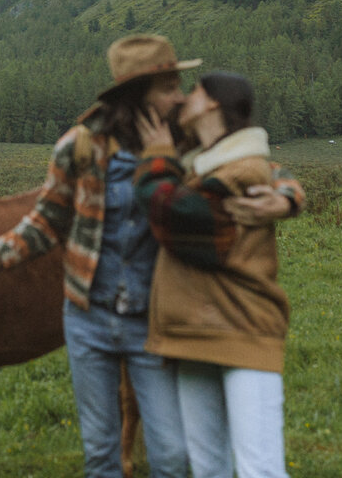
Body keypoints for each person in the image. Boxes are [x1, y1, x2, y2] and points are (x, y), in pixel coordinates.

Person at [0, 35, 299, 478]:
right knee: (101, 453)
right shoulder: (80, 146)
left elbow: (254, 162)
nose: (179, 97)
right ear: (137, 94)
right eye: (167, 88)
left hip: (152, 321)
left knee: (170, 455)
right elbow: (48, 219)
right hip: (87, 318)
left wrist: (286, 197)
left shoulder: (181, 142)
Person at [134, 71, 303, 478]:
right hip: (194, 330)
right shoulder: (202, 162)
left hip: (242, 328)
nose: (182, 99)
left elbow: (177, 213)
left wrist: (155, 160)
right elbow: (273, 170)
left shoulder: (239, 171)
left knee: (258, 468)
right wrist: (291, 194)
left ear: (212, 103)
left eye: (192, 90)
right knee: (208, 467)